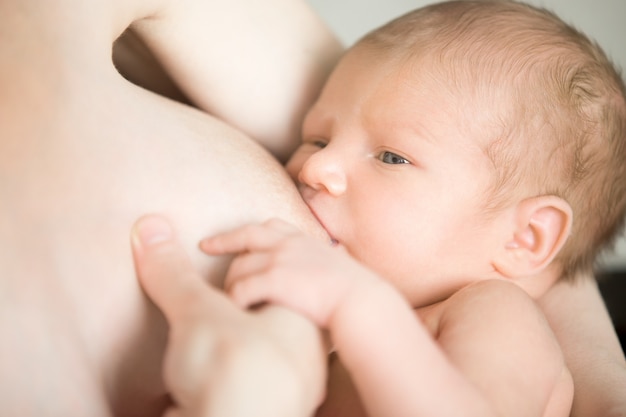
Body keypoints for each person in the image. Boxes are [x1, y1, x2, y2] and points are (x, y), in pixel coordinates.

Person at [1, 0, 624, 415]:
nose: (316, 168)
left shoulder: (496, 314)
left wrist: (357, 304)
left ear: (527, 238)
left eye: (392, 158)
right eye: (319, 137)